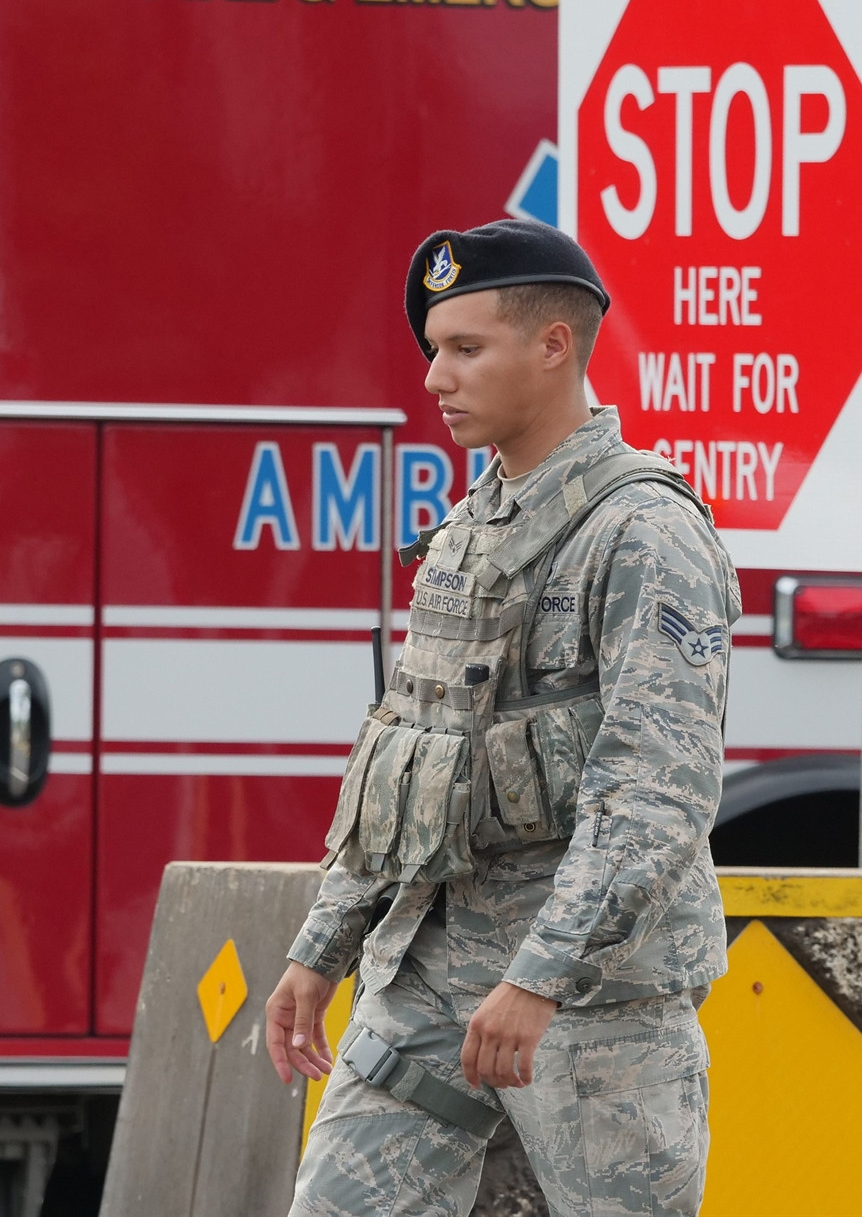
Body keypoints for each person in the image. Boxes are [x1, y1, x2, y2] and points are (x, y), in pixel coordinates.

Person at [265, 218, 740, 1217]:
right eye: (433, 349)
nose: (436, 376)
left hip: (595, 1004)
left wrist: (541, 976)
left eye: (466, 348)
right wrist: (323, 947)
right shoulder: (468, 529)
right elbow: (405, 756)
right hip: (429, 975)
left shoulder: (646, 534)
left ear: (554, 344)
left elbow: (653, 795)